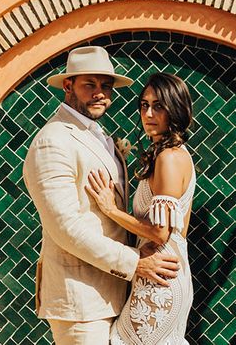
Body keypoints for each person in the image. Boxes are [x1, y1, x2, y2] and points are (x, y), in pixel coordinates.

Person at [23, 46, 181, 345]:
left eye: (105, 86)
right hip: (81, 300)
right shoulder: (53, 141)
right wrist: (134, 263)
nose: (100, 93)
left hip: (116, 292)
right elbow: (65, 227)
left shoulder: (96, 136)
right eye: (89, 85)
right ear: (68, 86)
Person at [86, 72, 195, 345]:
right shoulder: (171, 154)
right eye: (144, 105)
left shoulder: (170, 158)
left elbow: (161, 234)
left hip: (160, 280)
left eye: (158, 106)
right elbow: (179, 231)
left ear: (176, 109)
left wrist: (110, 210)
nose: (148, 113)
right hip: (161, 273)